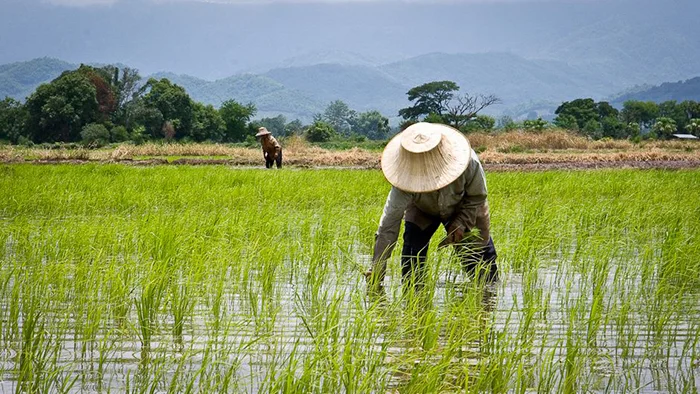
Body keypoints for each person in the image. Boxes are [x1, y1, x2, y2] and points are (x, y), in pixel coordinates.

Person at [366, 122, 497, 293]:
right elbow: (388, 225)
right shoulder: (403, 181)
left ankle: (487, 300)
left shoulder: (468, 162)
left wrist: (460, 222)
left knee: (483, 268)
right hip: (422, 210)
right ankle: (415, 307)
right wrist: (377, 268)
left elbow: (477, 196)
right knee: (411, 262)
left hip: (463, 206)